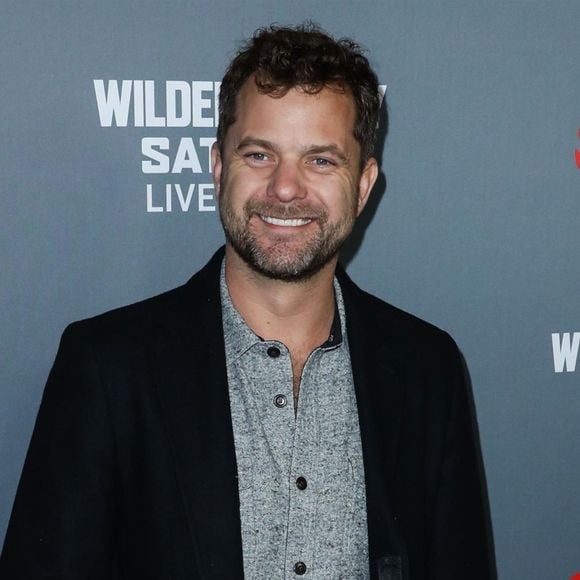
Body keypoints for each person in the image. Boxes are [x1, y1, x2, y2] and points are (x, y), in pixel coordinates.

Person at [0, 24, 493, 580]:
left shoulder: (428, 370)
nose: (285, 188)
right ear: (217, 168)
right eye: (260, 154)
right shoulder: (107, 368)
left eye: (321, 161)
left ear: (363, 184)